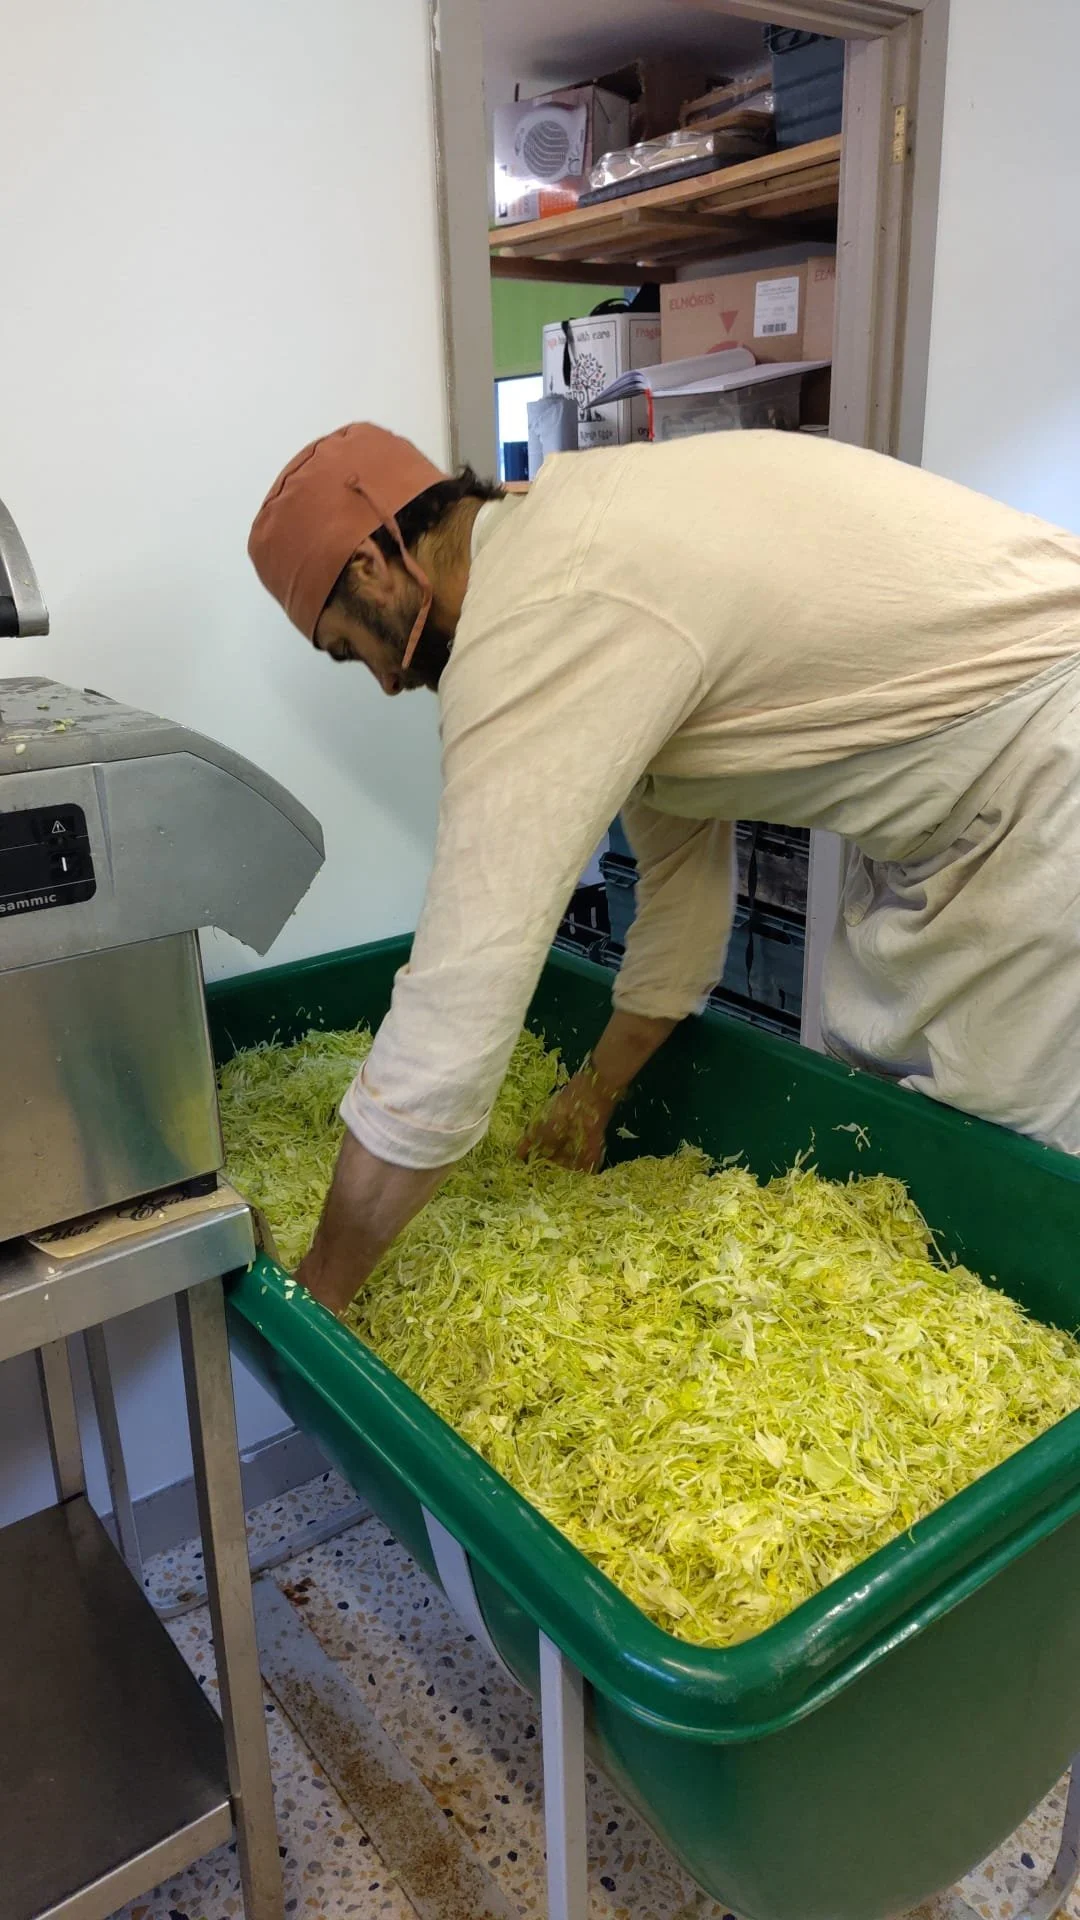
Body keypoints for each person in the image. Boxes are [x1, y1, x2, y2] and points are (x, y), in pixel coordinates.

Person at [248, 421, 1080, 1313]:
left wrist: (321, 1295)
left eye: (351, 647)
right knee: (888, 1150)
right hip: (950, 810)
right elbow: (681, 894)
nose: (380, 680)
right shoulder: (579, 556)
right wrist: (597, 1090)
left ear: (376, 560)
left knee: (999, 1192)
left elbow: (458, 1003)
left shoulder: (545, 612)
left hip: (1041, 771)